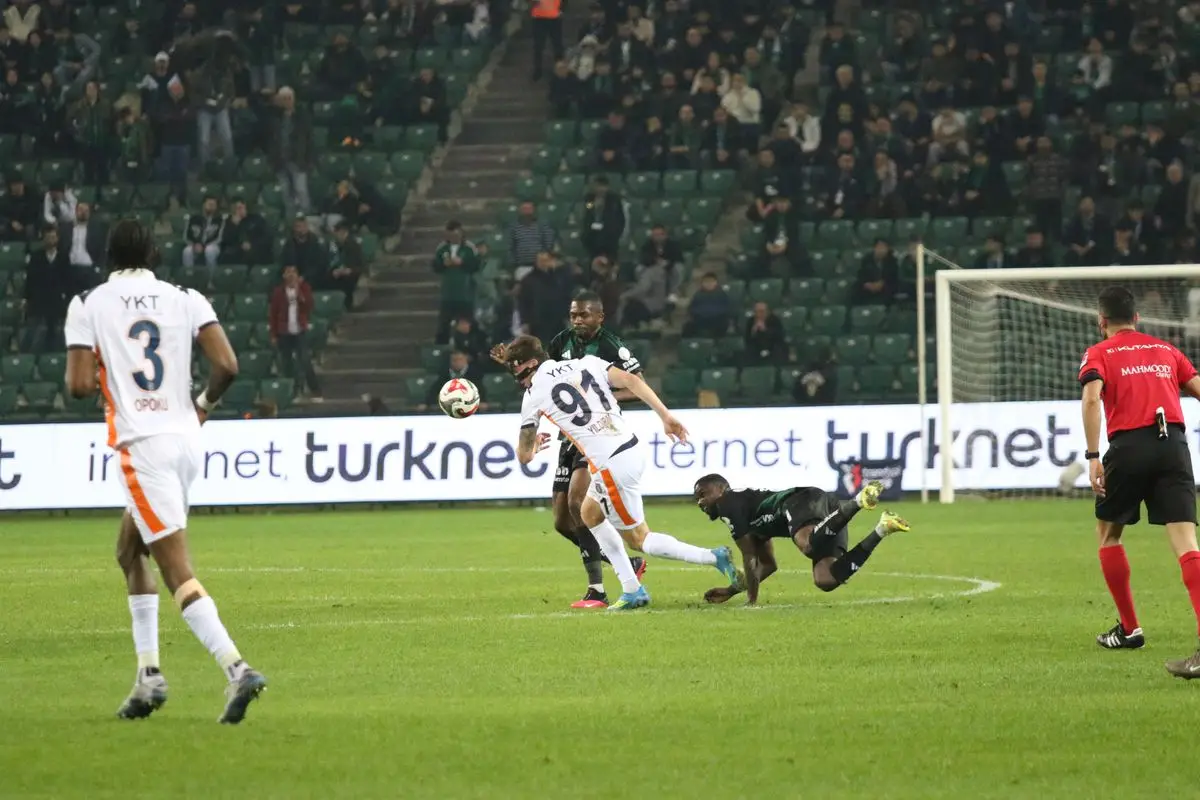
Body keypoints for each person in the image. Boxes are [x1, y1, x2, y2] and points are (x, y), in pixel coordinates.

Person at [62, 219, 267, 723]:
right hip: (186, 441)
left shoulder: (88, 304)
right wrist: (201, 406)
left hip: (141, 446)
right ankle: (148, 676)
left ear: (108, 256)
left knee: (176, 568)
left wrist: (108, 371)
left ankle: (237, 667)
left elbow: (79, 385)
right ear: (154, 253)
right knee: (128, 550)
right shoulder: (186, 297)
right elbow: (228, 365)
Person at [501, 334, 744, 611]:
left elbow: (523, 455)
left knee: (640, 539)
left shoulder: (533, 395)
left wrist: (534, 449)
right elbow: (632, 381)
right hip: (629, 448)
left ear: (532, 363)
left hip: (610, 465)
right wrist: (665, 416)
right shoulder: (588, 363)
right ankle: (631, 587)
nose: (516, 377)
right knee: (590, 512)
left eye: (517, 369)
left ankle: (713, 557)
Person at [494, 291, 646, 608]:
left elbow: (636, 382)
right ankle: (626, 565)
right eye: (574, 314)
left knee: (579, 502)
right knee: (562, 521)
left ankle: (597, 590)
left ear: (600, 317)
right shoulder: (561, 341)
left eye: (584, 315)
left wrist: (598, 398)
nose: (577, 320)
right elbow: (539, 382)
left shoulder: (611, 345)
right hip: (570, 435)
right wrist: (513, 364)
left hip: (599, 431)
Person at [1079, 287, 1200, 678]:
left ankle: (1130, 628)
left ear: (1102, 322)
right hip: (1174, 448)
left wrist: (1094, 456)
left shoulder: (1100, 353)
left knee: (1108, 535)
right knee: (1186, 543)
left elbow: (1093, 399)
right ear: (1138, 319)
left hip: (1129, 447)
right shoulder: (1166, 350)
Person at [693, 475, 909, 604]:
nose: (700, 502)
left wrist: (751, 601)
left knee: (807, 546)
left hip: (800, 501)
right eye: (697, 498)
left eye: (703, 494)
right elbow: (768, 565)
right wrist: (732, 591)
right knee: (826, 579)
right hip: (827, 511)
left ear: (721, 490)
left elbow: (749, 556)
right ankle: (883, 528)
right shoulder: (749, 514)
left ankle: (857, 502)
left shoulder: (727, 505)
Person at [269, 264, 323, 402]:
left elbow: (309, 306)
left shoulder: (304, 288)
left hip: (300, 331)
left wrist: (299, 292)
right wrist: (274, 334)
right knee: (288, 364)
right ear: (284, 276)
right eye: (288, 272)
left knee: (305, 361)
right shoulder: (278, 292)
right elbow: (273, 314)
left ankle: (316, 391)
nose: (291, 275)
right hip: (284, 332)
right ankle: (294, 393)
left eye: (294, 272)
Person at [182, 195, 225, 274]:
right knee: (187, 251)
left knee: (210, 250)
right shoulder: (193, 218)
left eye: (213, 205)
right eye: (209, 204)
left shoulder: (220, 220)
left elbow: (220, 238)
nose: (211, 207)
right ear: (203, 205)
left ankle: (211, 278)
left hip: (213, 245)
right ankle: (189, 276)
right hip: (195, 245)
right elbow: (186, 236)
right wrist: (194, 245)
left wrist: (204, 246)